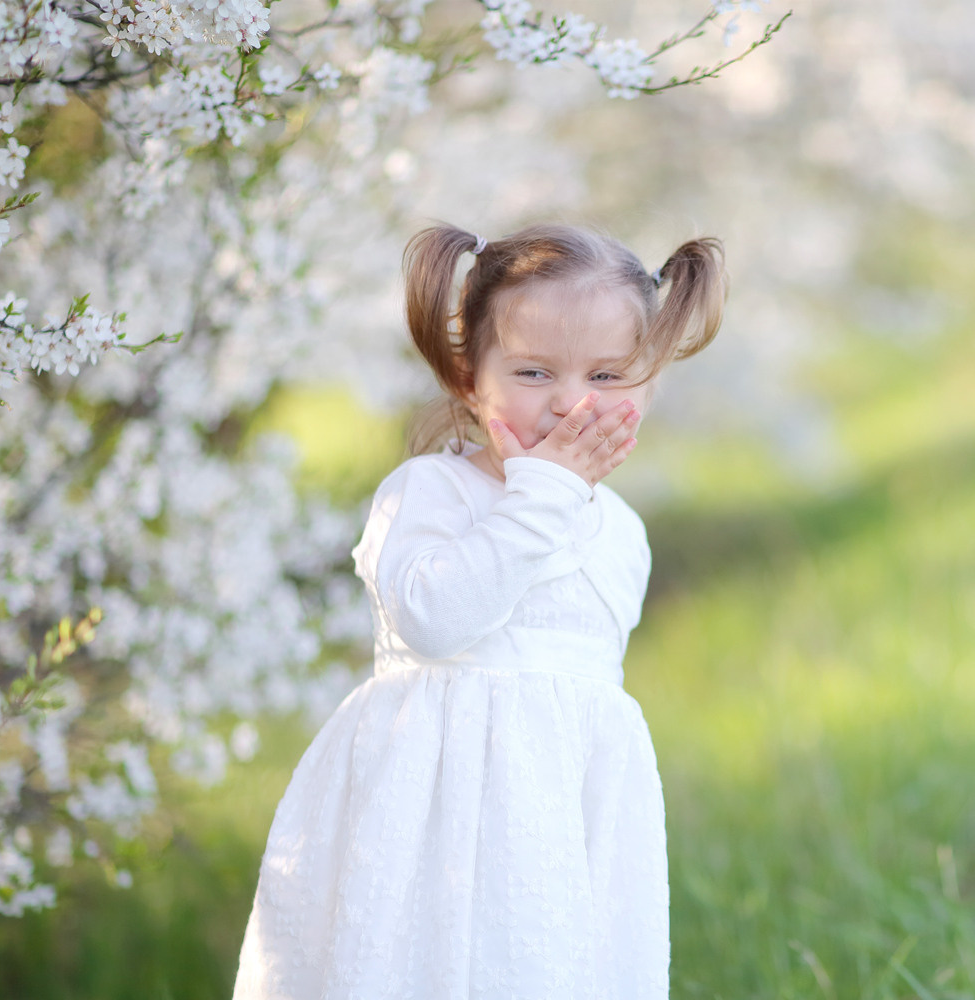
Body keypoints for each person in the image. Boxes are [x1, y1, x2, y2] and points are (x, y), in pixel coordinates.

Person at [232, 223, 726, 1000]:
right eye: (534, 371)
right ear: (469, 377)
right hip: (428, 816)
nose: (570, 403)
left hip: (557, 823)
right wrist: (546, 493)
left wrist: (561, 495)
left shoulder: (621, 533)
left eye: (607, 374)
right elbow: (435, 620)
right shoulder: (426, 494)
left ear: (650, 382)